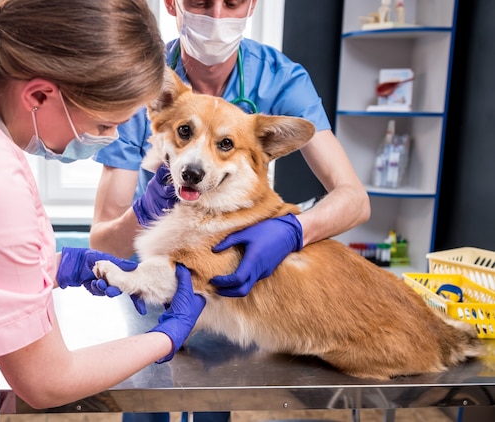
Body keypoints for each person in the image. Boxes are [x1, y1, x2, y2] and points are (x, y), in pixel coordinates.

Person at [0, 1, 206, 420]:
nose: (112, 136)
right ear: (40, 95)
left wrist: (58, 266)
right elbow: (47, 381)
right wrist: (167, 336)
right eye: (104, 125)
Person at [91, 0, 370, 292]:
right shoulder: (142, 81)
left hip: (229, 280)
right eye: (200, 2)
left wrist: (293, 230)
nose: (217, 17)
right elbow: (103, 244)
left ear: (251, 6)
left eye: (233, 3)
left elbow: (355, 200)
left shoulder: (279, 78)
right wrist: (143, 212)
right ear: (172, 4)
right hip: (149, 275)